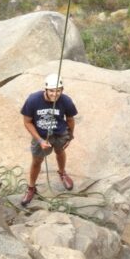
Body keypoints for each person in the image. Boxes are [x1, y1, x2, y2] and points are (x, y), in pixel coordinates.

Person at [20, 73, 78, 207]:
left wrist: (70, 136)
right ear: (45, 89)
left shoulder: (66, 101)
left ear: (62, 90)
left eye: (58, 90)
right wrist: (40, 140)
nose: (55, 94)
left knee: (60, 152)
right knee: (37, 161)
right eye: (51, 91)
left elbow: (70, 119)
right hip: (41, 135)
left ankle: (62, 173)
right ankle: (31, 187)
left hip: (60, 133)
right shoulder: (33, 100)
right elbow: (27, 122)